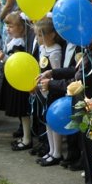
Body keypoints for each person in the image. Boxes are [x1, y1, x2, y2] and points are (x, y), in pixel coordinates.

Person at [0, 12, 32, 151]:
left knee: (23, 111)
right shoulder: (13, 41)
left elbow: (17, 61)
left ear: (22, 28)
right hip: (13, 78)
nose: (8, 29)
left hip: (19, 79)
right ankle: (24, 135)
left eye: (11, 26)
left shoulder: (20, 43)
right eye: (7, 26)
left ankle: (27, 138)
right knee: (20, 112)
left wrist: (4, 58)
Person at [34, 17, 63, 166]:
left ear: (51, 35)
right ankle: (51, 151)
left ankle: (57, 152)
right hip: (44, 89)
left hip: (53, 91)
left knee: (53, 121)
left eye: (41, 35)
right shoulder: (42, 48)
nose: (38, 38)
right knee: (47, 121)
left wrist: (50, 84)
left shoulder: (55, 51)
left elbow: (56, 72)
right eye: (37, 35)